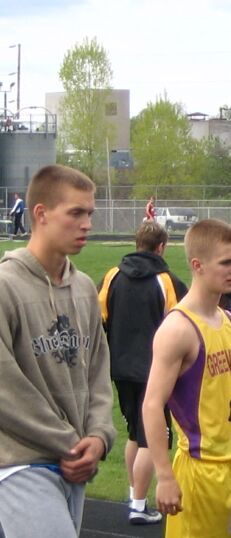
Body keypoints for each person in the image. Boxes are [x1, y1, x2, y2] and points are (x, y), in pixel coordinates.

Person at [0, 164, 116, 537]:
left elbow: (98, 372)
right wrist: (70, 442)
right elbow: (6, 391)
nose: (87, 224)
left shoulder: (84, 289)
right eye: (76, 213)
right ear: (41, 214)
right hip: (19, 463)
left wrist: (99, 437)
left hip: (74, 463)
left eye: (90, 213)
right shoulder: (6, 286)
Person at [142, 219, 231, 538]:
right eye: (226, 262)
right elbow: (152, 405)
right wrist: (164, 476)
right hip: (199, 472)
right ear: (197, 265)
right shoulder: (178, 329)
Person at [98, 221, 188, 525]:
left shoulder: (112, 276)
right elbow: (180, 322)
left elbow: (99, 318)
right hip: (155, 371)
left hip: (120, 368)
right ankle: (138, 504)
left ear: (137, 244)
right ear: (161, 247)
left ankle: (134, 494)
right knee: (154, 437)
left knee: (136, 434)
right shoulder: (166, 281)